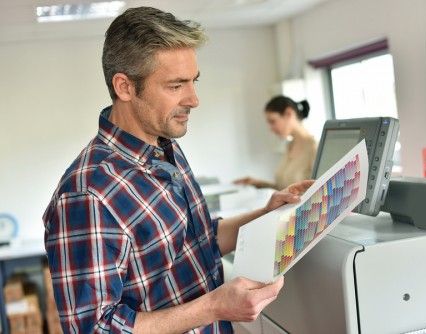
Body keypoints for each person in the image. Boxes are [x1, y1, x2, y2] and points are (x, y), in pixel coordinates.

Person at [42, 7, 313, 334]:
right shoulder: (87, 194)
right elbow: (96, 328)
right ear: (125, 87)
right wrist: (213, 306)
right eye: (176, 86)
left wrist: (266, 214)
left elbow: (197, 240)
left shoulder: (166, 147)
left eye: (193, 82)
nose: (194, 99)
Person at [234, 96, 318, 190]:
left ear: (288, 113)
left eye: (272, 121)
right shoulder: (289, 146)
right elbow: (284, 189)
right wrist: (258, 183)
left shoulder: (315, 149)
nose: (271, 129)